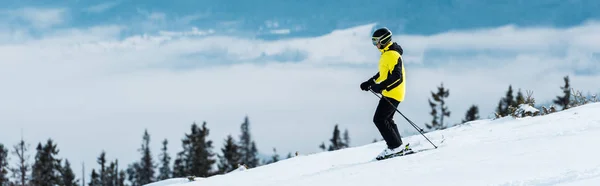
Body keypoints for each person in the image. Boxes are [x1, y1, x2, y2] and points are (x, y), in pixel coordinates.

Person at [360, 27, 410, 159]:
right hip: (392, 92)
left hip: (393, 93)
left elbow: (397, 77)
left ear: (384, 40)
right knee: (387, 119)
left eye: (376, 41)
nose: (375, 45)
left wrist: (380, 87)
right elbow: (384, 72)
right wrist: (370, 82)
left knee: (379, 119)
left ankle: (395, 147)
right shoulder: (387, 53)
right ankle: (398, 145)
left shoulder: (392, 55)